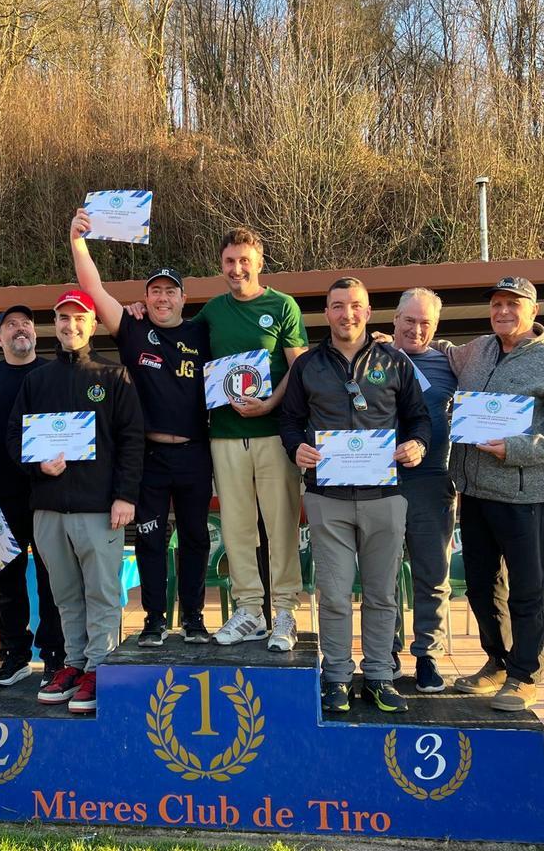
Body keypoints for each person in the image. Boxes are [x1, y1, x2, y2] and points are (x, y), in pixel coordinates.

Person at [280, 278, 431, 713]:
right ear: (326, 313)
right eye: (338, 306)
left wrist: (417, 444)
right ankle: (338, 677)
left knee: (383, 593)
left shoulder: (395, 361)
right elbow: (289, 421)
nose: (347, 314)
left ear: (368, 312)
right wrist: (296, 448)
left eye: (356, 306)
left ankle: (381, 676)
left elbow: (419, 418)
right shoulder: (308, 365)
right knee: (333, 593)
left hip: (385, 495)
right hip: (327, 498)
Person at [70, 209, 213, 646]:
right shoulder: (131, 329)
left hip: (194, 453)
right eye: (155, 292)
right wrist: (78, 241)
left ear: (183, 299)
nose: (162, 298)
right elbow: (92, 290)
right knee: (150, 540)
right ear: (145, 298)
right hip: (148, 457)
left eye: (171, 292)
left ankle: (192, 619)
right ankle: (153, 620)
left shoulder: (204, 333)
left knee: (194, 539)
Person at [444, 276, 544, 711]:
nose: (503, 311)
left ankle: (525, 675)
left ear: (533, 311)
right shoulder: (479, 349)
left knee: (527, 590)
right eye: (497, 304)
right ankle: (498, 663)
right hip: (474, 492)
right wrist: (393, 338)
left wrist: (517, 449)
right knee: (480, 588)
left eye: (513, 304)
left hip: (526, 496)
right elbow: (442, 352)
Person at [8, 289, 144, 714]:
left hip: (98, 508)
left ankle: (100, 670)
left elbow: (131, 442)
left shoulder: (113, 376)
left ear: (93, 325)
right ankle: (75, 663)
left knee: (102, 594)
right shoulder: (37, 381)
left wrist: (125, 496)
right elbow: (14, 438)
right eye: (64, 319)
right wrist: (37, 466)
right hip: (48, 510)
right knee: (65, 594)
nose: (71, 326)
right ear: (56, 324)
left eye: (80, 319)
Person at [195, 228, 308, 650]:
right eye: (229, 262)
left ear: (259, 262)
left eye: (245, 260)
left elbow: (299, 368)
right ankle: (248, 611)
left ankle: (284, 612)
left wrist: (271, 403)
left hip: (272, 435)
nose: (237, 269)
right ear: (221, 265)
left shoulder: (282, 306)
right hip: (224, 436)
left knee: (281, 526)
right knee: (237, 528)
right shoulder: (212, 311)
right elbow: (180, 344)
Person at [0, 307, 66, 688]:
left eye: (26, 324)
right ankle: (14, 656)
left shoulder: (53, 374)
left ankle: (56, 656)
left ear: (36, 335)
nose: (20, 329)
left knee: (52, 578)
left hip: (48, 493)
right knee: (6, 581)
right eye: (11, 325)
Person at [391, 288, 458, 692]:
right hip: (379, 481)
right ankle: (388, 651)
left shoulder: (450, 362)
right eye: (409, 320)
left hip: (433, 481)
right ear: (394, 320)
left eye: (426, 322)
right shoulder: (374, 357)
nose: (416, 329)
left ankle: (428, 655)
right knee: (383, 575)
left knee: (432, 573)